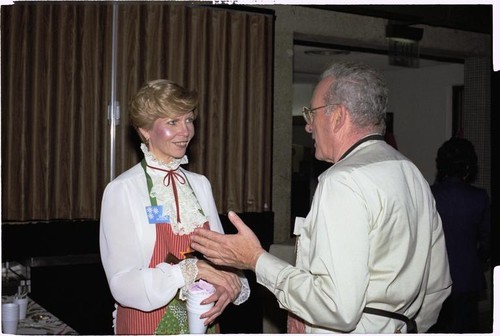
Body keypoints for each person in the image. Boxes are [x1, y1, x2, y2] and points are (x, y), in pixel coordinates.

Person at [191, 62, 452, 333]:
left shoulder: (343, 180)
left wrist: (255, 259)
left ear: (338, 116)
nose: (308, 126)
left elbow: (336, 308)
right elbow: (438, 286)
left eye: (311, 113)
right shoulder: (411, 172)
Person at [99, 79, 250, 335]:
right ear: (145, 130)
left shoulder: (200, 185)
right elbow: (122, 284)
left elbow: (223, 258)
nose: (186, 131)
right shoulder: (123, 190)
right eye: (172, 122)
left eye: (189, 120)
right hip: (145, 326)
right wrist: (193, 270)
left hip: (201, 322)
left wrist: (232, 283)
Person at [429, 137, 490, 333]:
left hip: (434, 280)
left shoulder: (429, 194)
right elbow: (487, 242)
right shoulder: (479, 197)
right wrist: (476, 259)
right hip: (467, 279)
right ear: (468, 165)